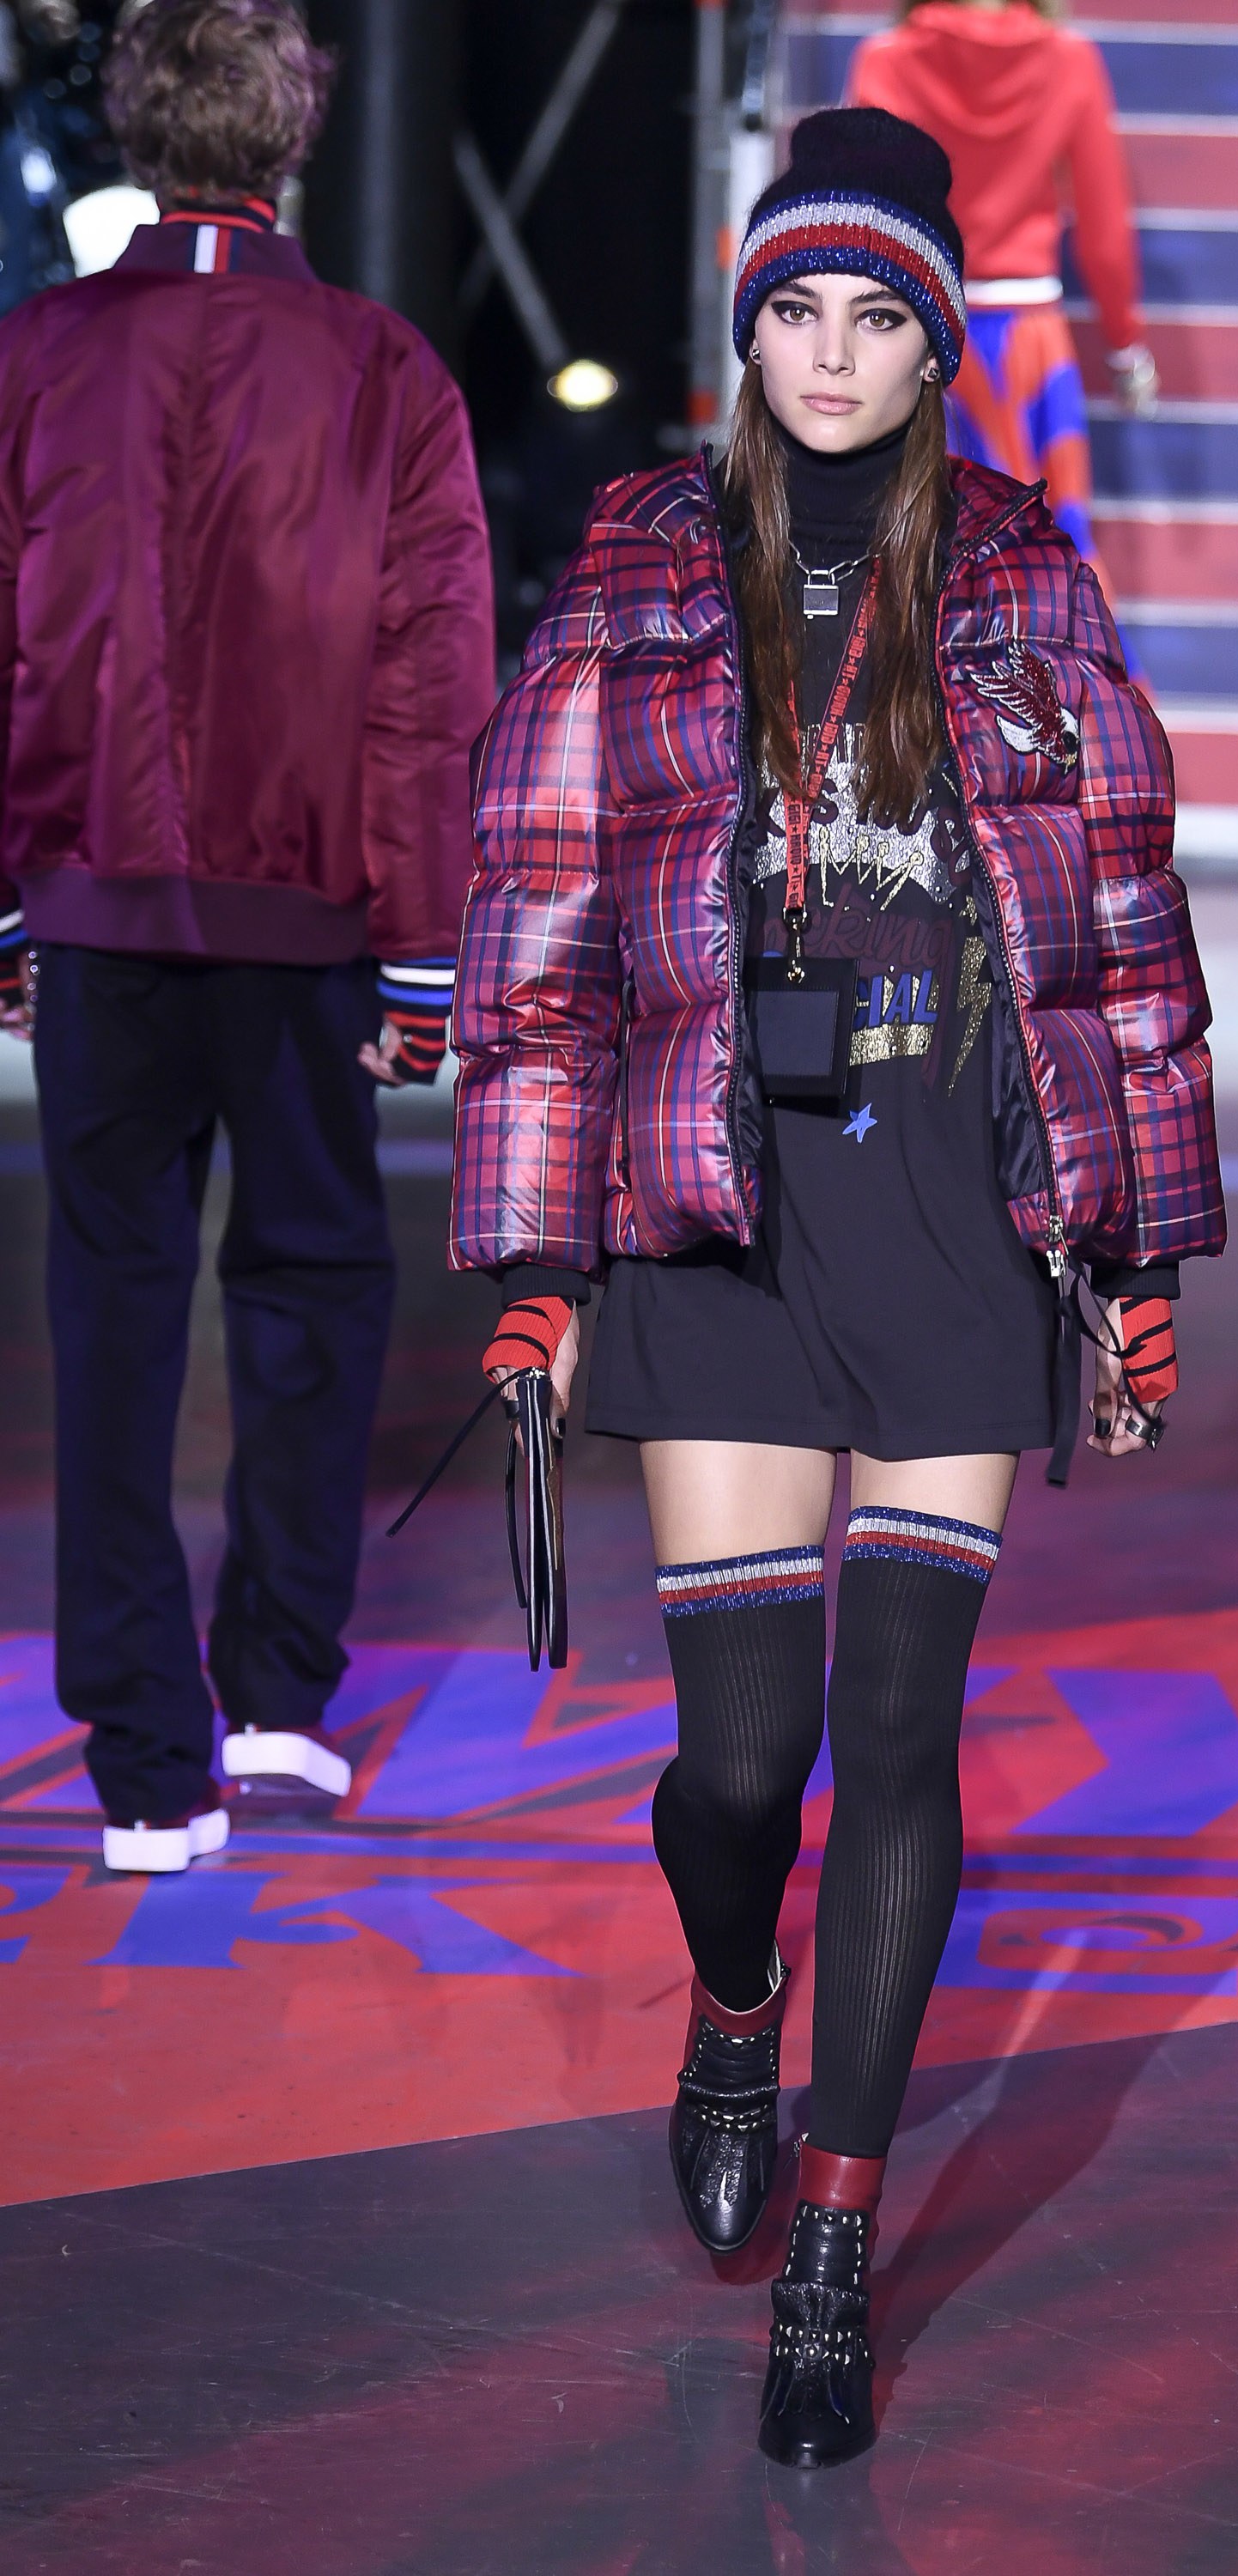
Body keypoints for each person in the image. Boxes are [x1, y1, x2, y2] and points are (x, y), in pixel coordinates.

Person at [452, 107, 1222, 2469]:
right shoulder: (635, 563)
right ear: (748, 319)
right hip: (723, 1200)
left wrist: (1132, 1249)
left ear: (934, 343)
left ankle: (834, 2240)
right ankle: (728, 2003)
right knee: (740, 1761)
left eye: (876, 316)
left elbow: (1118, 933)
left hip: (951, 1208)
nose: (828, 355)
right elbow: (539, 925)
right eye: (794, 308)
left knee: (896, 1737)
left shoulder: (1026, 573)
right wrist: (536, 1258)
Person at [0, 0, 495, 1874]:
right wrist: (426, 949)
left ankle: (147, 1764)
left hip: (99, 909)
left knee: (113, 1312)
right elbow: (431, 683)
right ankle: (277, 1697)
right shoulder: (380, 368)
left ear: (137, 134)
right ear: (294, 139)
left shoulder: (37, 354)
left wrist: (6, 903)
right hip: (305, 929)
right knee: (308, 1291)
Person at [847, 0, 1157, 600]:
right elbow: (1104, 232)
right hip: (1029, 347)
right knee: (1049, 560)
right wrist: (1126, 348)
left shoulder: (884, 60)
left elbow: (858, 217)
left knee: (915, 557)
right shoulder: (1069, 59)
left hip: (920, 335)